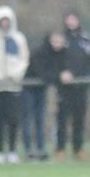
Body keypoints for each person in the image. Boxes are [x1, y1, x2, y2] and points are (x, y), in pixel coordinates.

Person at [0, 5, 29, 164]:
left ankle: (12, 150)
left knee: (13, 119)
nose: (5, 24)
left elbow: (24, 59)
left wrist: (15, 75)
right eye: (2, 21)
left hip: (14, 85)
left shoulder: (18, 39)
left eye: (7, 21)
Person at [55, 11, 90, 161]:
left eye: (74, 19)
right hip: (65, 87)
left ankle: (78, 149)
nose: (71, 22)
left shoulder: (85, 39)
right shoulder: (61, 39)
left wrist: (80, 76)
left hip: (80, 86)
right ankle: (60, 149)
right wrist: (62, 74)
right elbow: (55, 60)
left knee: (79, 120)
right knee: (62, 119)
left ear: (78, 21)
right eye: (69, 19)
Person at [21, 30, 64, 162]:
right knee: (27, 119)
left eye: (59, 41)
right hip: (29, 88)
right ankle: (29, 150)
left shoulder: (59, 55)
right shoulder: (40, 52)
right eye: (55, 41)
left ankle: (40, 149)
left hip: (41, 89)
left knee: (40, 119)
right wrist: (57, 77)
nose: (57, 44)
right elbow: (41, 72)